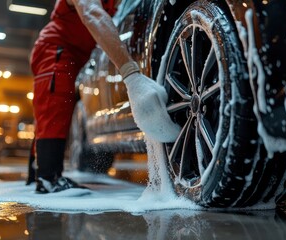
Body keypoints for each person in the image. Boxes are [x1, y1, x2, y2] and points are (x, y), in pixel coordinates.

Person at [29, 0, 180, 193]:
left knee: (52, 112)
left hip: (78, 53)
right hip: (56, 48)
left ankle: (37, 172)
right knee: (55, 107)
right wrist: (130, 73)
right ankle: (48, 179)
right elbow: (92, 13)